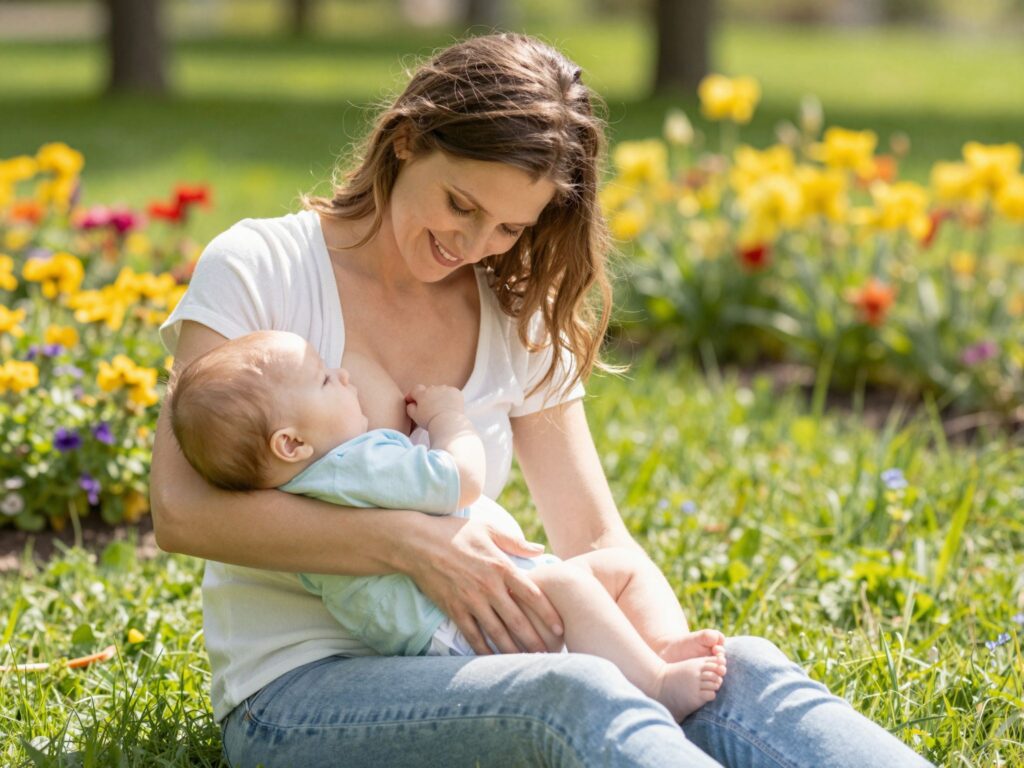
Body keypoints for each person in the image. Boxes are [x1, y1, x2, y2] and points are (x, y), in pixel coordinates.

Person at [151, 32, 934, 767]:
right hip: (299, 695)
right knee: (577, 695)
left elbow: (595, 539)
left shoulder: (512, 310)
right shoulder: (261, 265)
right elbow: (183, 514)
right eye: (461, 204)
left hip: (490, 661)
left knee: (742, 671)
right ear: (404, 143)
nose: (473, 243)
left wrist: (664, 665)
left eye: (506, 226)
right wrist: (413, 546)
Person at [167, 329, 730, 721]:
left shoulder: (314, 488)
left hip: (452, 618)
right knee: (578, 581)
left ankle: (657, 650)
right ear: (291, 443)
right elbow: (459, 478)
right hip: (459, 624)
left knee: (615, 570)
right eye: (322, 380)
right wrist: (448, 419)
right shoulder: (352, 468)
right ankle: (655, 680)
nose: (340, 374)